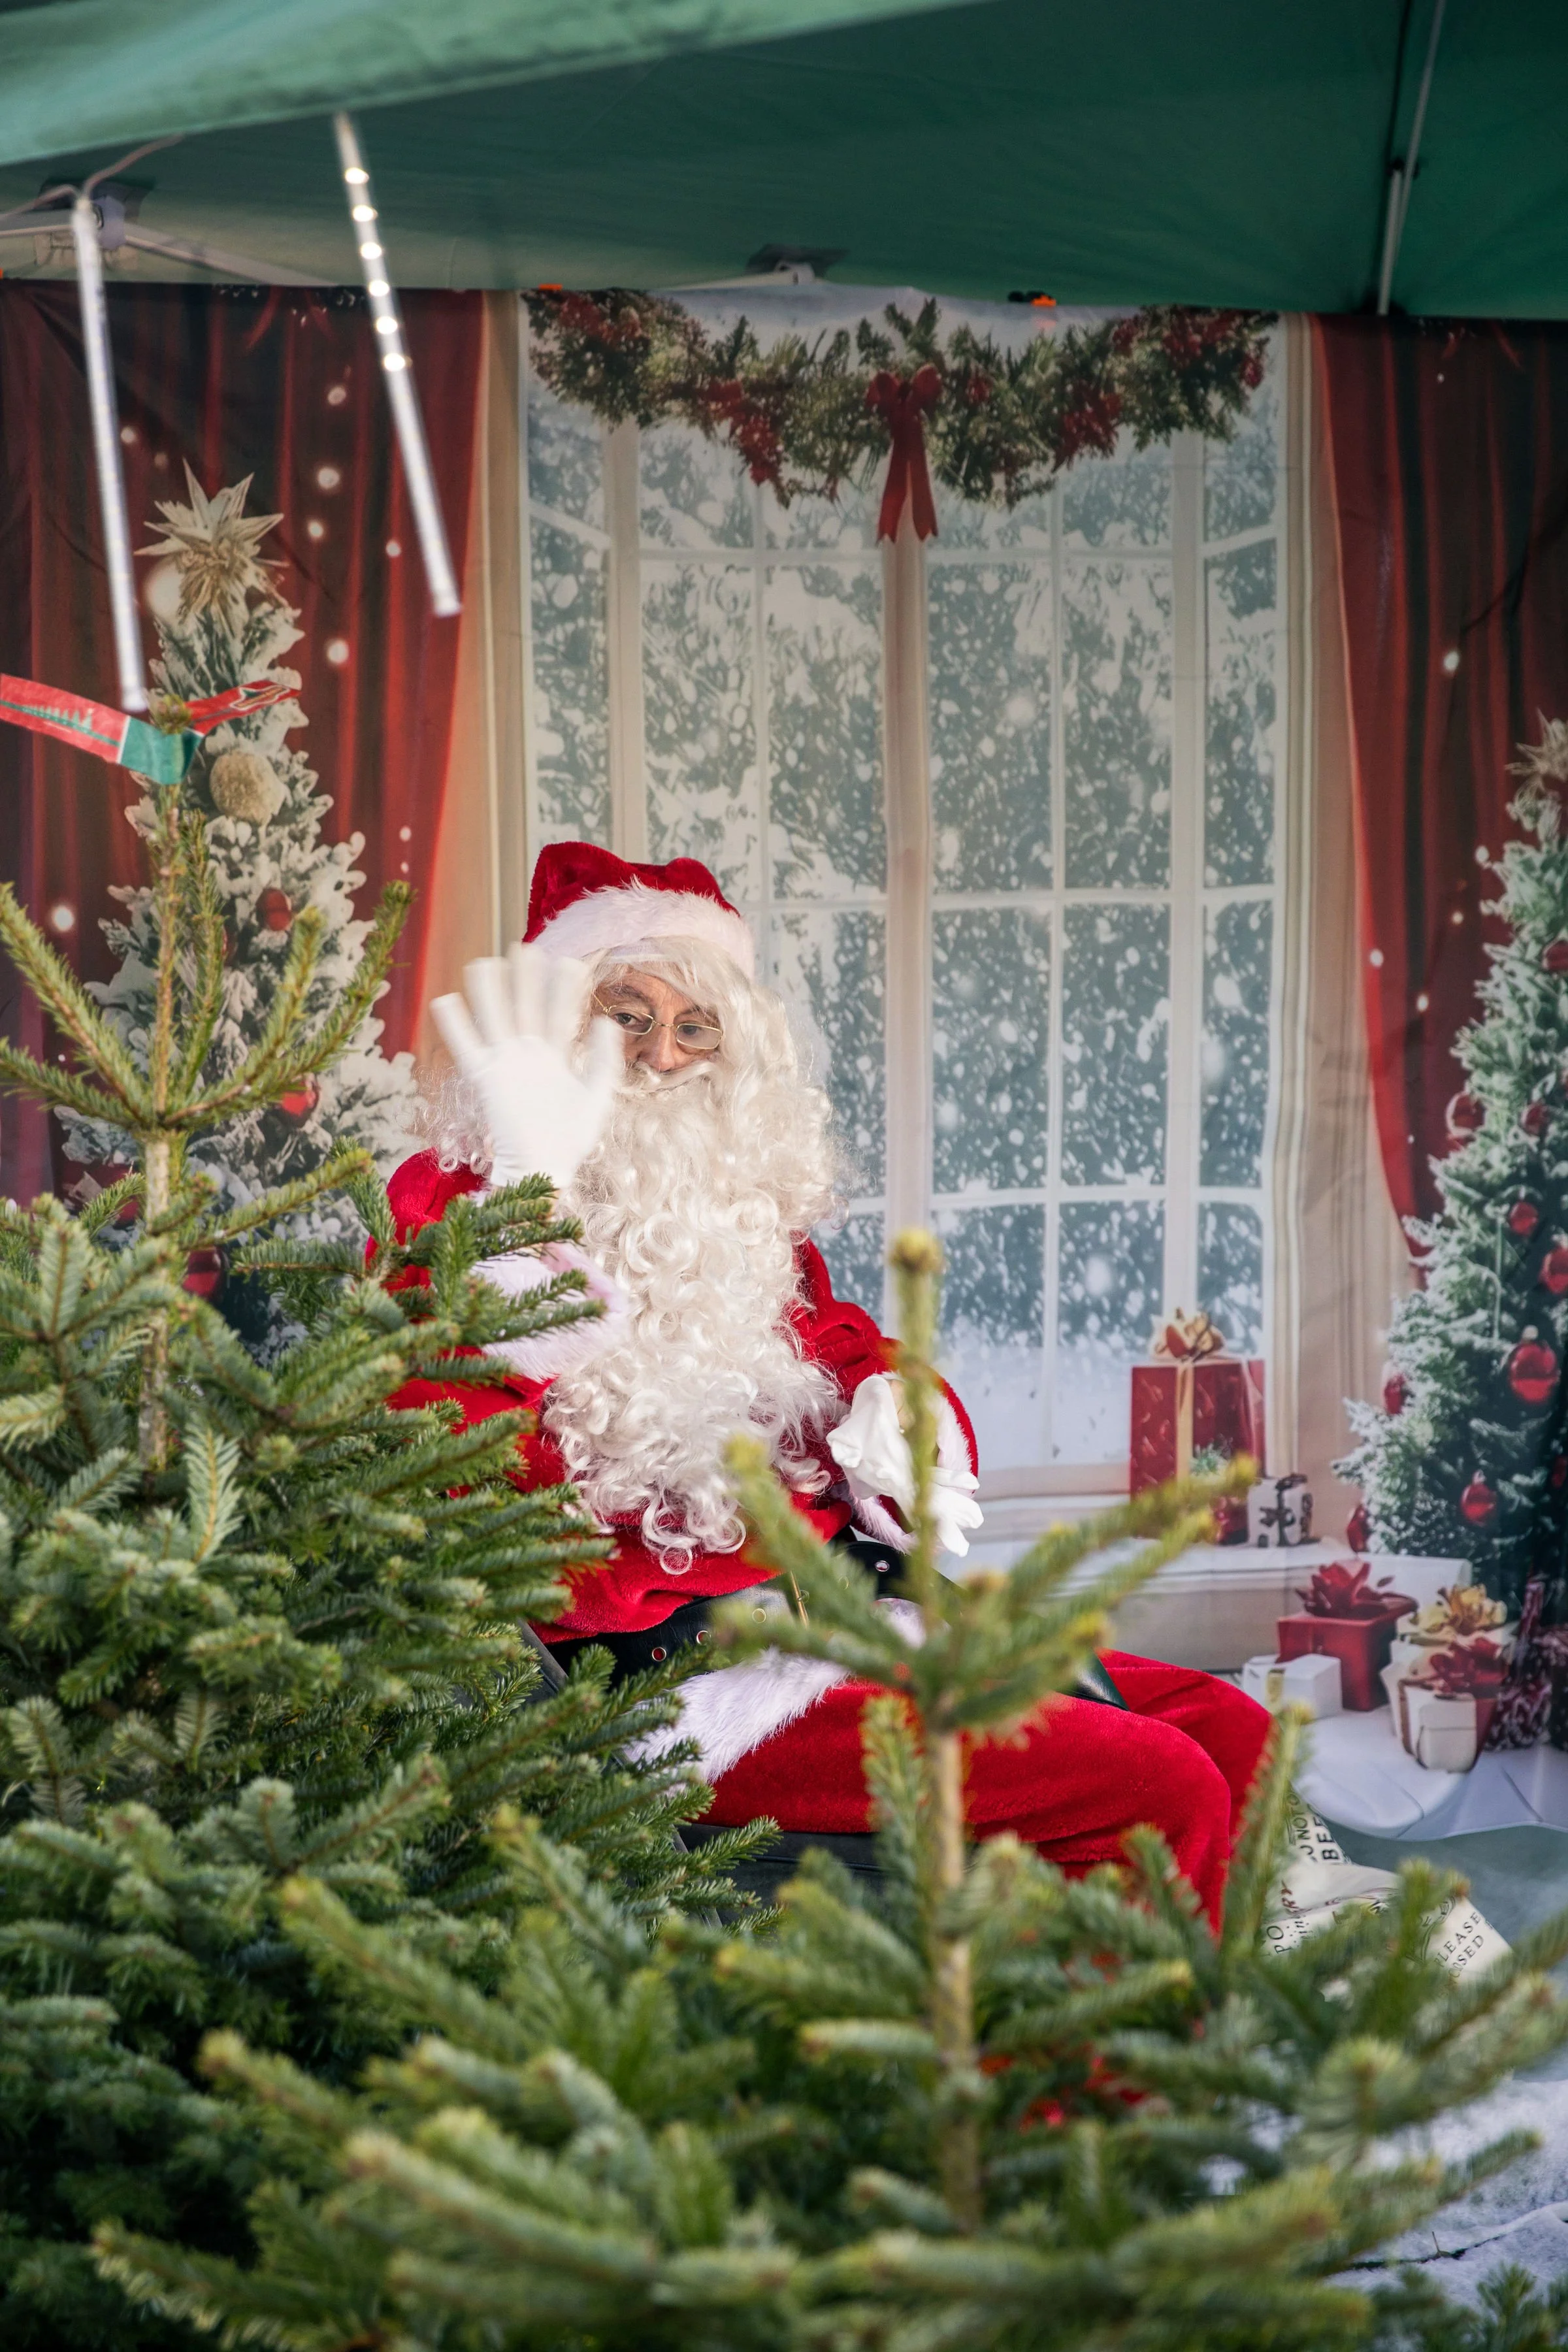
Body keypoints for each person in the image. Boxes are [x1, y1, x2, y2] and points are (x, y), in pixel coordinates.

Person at [388, 842, 1270, 1925]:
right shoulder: (458, 1218)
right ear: (560, 1025)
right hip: (681, 1691)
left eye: (696, 1025)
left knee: (1236, 1731)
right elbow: (458, 1493)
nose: (665, 1057)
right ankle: (1082, 2084)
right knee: (1160, 1786)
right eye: (627, 1014)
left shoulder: (734, 1222)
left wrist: (905, 1416)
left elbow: (851, 1348)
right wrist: (533, 1195)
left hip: (854, 1617)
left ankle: (1194, 2015)